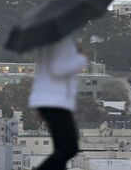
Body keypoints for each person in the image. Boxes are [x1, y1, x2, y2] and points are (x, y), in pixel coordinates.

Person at [29, 34, 87, 170]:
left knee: (61, 148)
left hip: (53, 102)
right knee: (70, 147)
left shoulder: (54, 44)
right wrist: (81, 57)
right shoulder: (60, 44)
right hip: (54, 104)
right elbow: (58, 69)